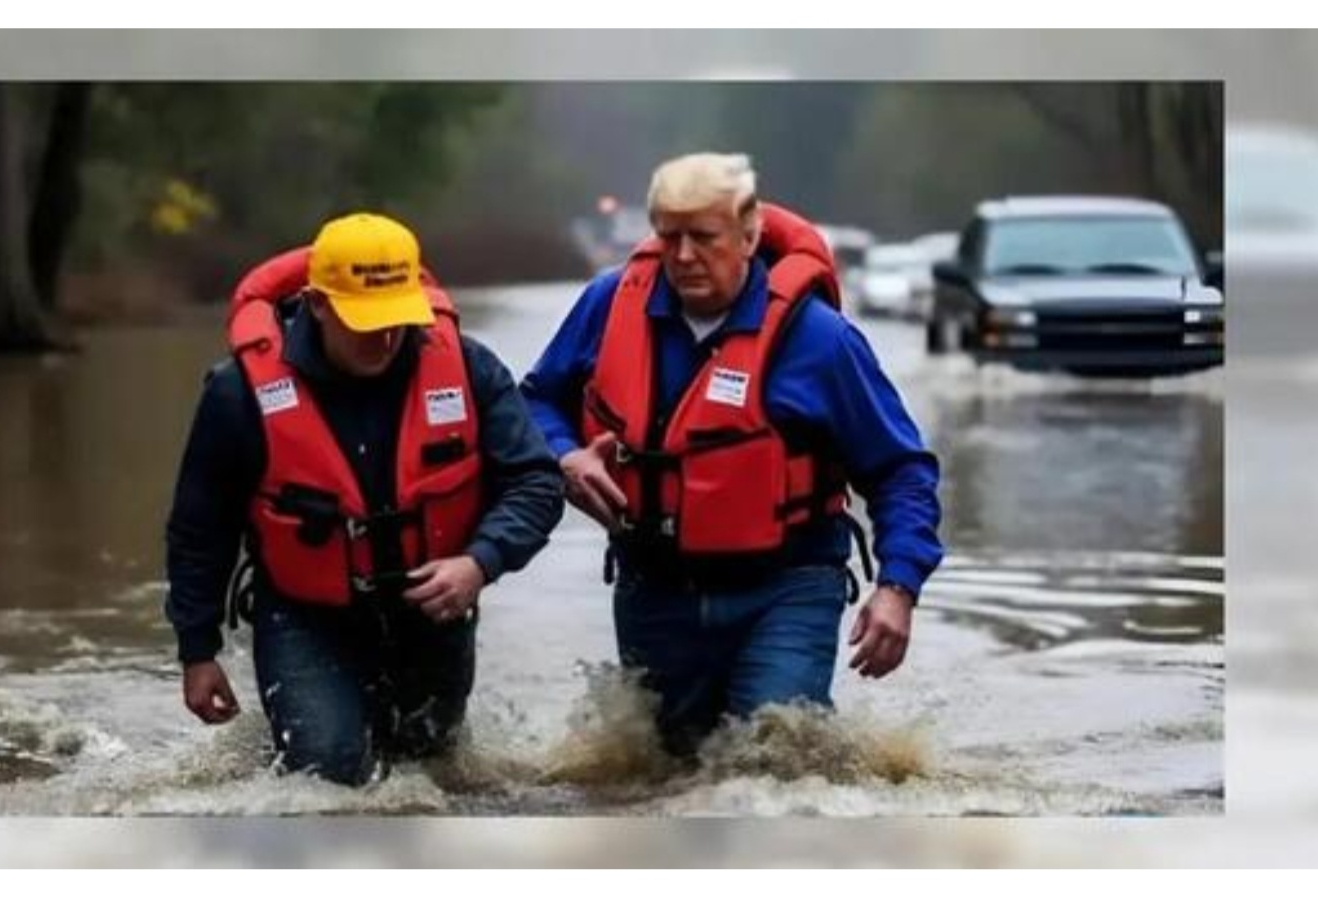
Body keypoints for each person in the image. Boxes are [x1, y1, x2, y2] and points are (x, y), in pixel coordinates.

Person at [520, 153, 944, 756]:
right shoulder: (610, 304)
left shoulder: (820, 340)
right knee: (664, 776)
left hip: (787, 586)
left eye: (704, 237)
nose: (685, 256)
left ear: (749, 236)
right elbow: (536, 402)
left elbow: (901, 470)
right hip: (655, 589)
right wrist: (564, 456)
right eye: (669, 236)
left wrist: (898, 588)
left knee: (773, 759)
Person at [165, 212, 565, 785]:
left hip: (433, 615)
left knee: (429, 780)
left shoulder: (467, 367)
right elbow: (199, 529)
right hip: (307, 617)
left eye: (397, 320)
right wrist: (197, 652)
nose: (384, 338)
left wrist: (480, 562)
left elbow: (537, 481)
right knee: (327, 778)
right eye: (364, 321)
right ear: (317, 305)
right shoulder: (239, 393)